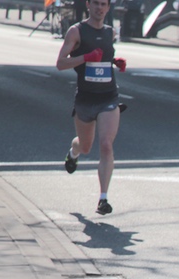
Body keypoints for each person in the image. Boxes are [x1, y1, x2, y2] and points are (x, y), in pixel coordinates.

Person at [56, 0, 126, 216]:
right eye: (95, 3)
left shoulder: (110, 32)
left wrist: (115, 62)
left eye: (104, 4)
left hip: (108, 97)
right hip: (86, 99)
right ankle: (73, 152)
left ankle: (103, 199)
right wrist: (85, 57)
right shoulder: (76, 31)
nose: (99, 8)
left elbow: (103, 60)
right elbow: (60, 63)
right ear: (88, 4)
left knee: (106, 145)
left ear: (108, 8)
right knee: (85, 146)